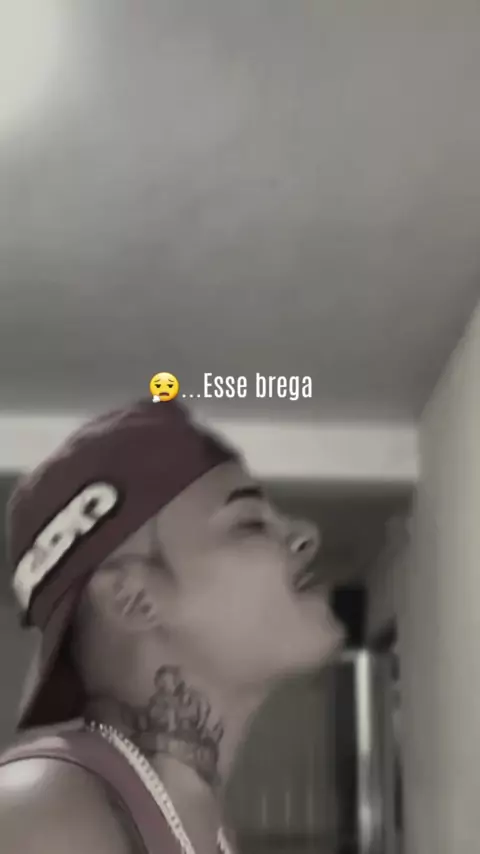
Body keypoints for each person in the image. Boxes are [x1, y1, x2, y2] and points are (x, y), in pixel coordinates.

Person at [0, 399, 343, 854]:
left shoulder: (193, 821)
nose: (306, 535)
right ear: (132, 599)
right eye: (249, 522)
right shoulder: (45, 818)